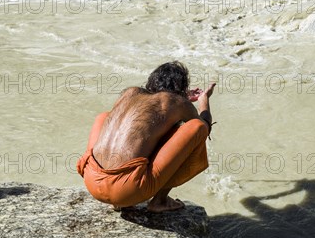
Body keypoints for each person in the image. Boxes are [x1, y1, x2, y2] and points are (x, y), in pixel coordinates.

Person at [77, 61, 216, 212]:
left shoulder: (130, 93)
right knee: (196, 127)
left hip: (92, 181)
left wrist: (181, 99)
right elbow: (204, 127)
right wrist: (204, 100)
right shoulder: (177, 102)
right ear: (181, 89)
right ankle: (160, 201)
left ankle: (120, 201)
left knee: (105, 117)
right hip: (127, 190)